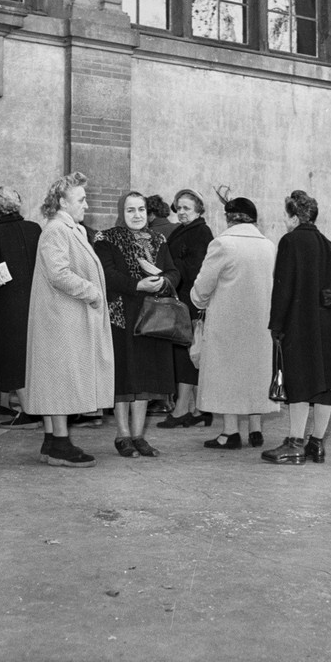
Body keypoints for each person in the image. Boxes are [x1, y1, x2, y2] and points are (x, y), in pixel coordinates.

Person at [25, 172, 114, 468]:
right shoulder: (56, 230)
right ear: (63, 201)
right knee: (61, 380)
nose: (86, 205)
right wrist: (92, 292)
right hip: (60, 318)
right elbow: (58, 273)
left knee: (57, 379)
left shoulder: (69, 228)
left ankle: (52, 442)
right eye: (81, 199)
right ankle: (60, 443)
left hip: (64, 316)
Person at [263, 191, 331, 465]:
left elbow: (283, 288)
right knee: (324, 386)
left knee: (299, 382)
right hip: (328, 326)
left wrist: (276, 325)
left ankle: (294, 444)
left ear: (293, 217)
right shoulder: (329, 245)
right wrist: (330, 297)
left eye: (285, 215)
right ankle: (316, 444)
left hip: (299, 324)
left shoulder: (290, 242)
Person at [95, 192, 180, 458]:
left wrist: (164, 281)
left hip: (151, 317)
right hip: (120, 316)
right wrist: (137, 284)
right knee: (124, 377)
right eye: (131, 210)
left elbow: (174, 271)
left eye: (141, 210)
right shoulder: (106, 238)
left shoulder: (158, 239)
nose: (137, 215)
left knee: (145, 376)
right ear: (122, 212)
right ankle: (122, 436)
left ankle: (138, 435)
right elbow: (106, 274)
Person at [191, 193, 278, 449]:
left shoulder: (223, 244)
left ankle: (230, 432)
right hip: (261, 322)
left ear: (228, 218)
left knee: (228, 375)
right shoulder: (269, 246)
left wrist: (197, 300)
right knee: (255, 373)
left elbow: (204, 285)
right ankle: (255, 427)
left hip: (228, 323)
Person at [0, 186, 43, 429]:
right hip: (37, 300)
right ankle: (39, 408)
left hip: (8, 303)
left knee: (13, 357)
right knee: (34, 354)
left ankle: (28, 411)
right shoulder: (34, 228)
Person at [157, 188, 214, 429]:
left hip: (190, 300)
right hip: (180, 298)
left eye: (186, 208)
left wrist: (169, 267)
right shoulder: (183, 230)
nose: (181, 212)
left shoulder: (201, 232)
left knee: (187, 355)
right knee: (185, 353)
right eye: (178, 207)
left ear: (198, 210)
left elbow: (197, 268)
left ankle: (183, 409)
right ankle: (197, 408)